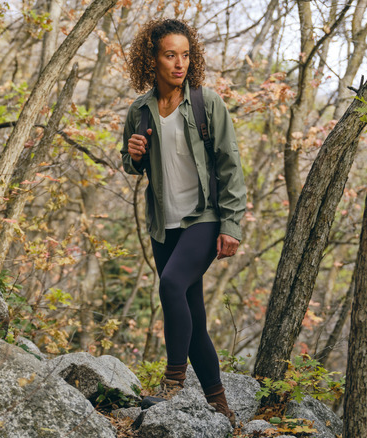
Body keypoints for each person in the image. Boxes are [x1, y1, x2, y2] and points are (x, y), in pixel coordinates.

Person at [120, 18, 246, 424]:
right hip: (164, 225)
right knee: (191, 316)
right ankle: (219, 406)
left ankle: (173, 385)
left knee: (171, 285)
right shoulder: (139, 110)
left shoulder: (206, 103)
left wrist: (231, 225)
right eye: (170, 55)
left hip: (204, 217)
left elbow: (230, 166)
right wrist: (134, 154)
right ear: (152, 58)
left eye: (186, 55)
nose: (179, 63)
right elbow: (130, 164)